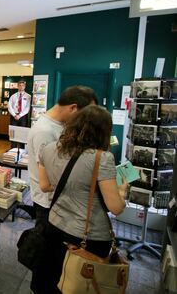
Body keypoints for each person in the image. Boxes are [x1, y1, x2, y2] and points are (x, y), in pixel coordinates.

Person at [34, 105, 128, 293]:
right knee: (83, 284)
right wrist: (122, 192)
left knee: (53, 279)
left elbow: (44, 185)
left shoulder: (50, 149)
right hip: (88, 236)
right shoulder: (102, 158)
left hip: (54, 224)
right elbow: (115, 207)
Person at [26, 85, 97, 293]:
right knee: (46, 258)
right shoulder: (44, 131)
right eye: (85, 114)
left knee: (54, 257)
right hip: (49, 202)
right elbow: (48, 177)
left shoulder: (57, 126)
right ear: (73, 108)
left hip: (57, 201)